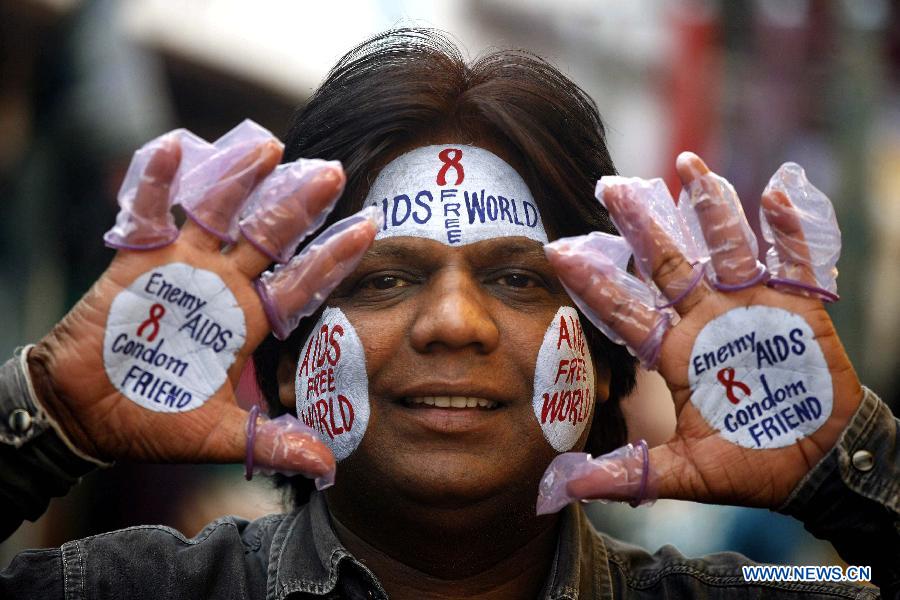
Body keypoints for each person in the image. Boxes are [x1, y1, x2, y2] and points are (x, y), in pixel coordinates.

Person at [1, 28, 896, 599]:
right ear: (281, 356)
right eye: (383, 280)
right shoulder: (122, 587)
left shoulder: (767, 586)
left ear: (612, 352)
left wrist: (851, 470)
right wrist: (43, 421)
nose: (455, 323)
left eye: (518, 280)